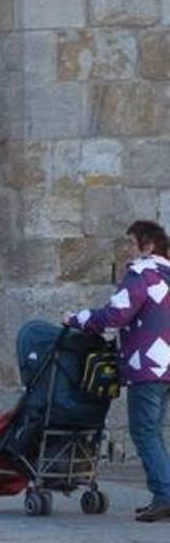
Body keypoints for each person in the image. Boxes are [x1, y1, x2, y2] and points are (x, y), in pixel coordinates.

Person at [65, 220, 170, 522]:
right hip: (165, 366)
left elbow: (115, 315)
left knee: (144, 431)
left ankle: (165, 496)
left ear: (148, 245)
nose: (126, 249)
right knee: (154, 431)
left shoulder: (142, 273)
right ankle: (163, 494)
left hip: (146, 367)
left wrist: (76, 318)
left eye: (131, 243)